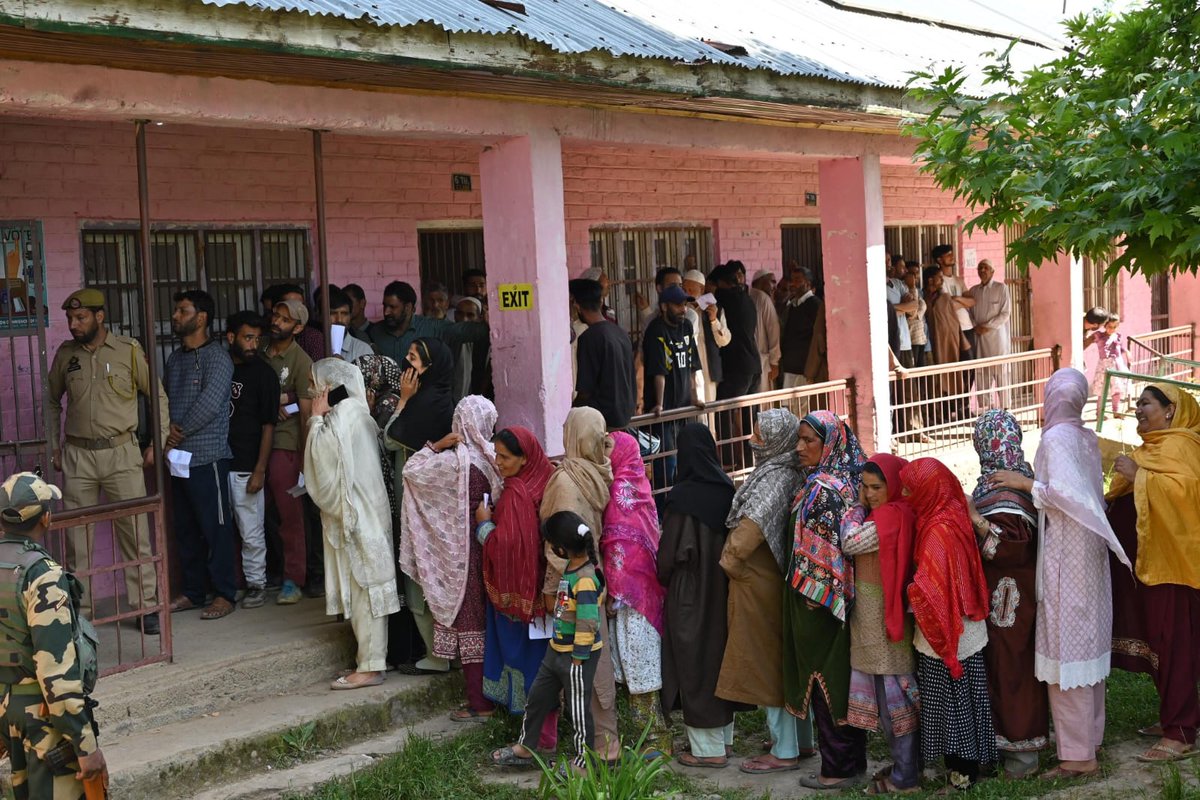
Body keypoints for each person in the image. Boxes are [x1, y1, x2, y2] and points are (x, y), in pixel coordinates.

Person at [987, 370, 1128, 778]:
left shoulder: (1055, 438)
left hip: (1067, 554)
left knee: (1069, 656)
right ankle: (1090, 740)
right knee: (1085, 650)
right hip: (1088, 553)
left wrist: (1025, 482)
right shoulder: (1084, 436)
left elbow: (1064, 495)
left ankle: (1079, 757)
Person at [47, 288, 167, 634]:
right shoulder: (66, 355)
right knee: (76, 536)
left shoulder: (128, 351)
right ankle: (80, 612)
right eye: (70, 318)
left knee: (134, 531)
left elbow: (155, 394)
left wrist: (155, 443)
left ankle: (146, 608)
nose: (73, 324)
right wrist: (55, 445)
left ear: (100, 317)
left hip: (121, 452)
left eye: (80, 317)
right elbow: (52, 400)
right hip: (78, 455)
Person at [717, 409, 815, 776]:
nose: (753, 441)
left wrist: (730, 566)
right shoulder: (790, 470)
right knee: (785, 663)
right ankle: (801, 741)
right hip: (777, 580)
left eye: (759, 436)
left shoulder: (774, 478)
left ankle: (784, 749)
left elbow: (746, 536)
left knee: (766, 665)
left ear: (774, 441)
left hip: (758, 583)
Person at [0, 472, 109, 798]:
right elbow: (56, 673)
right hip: (44, 717)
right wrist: (85, 745)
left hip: (6, 710)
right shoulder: (43, 575)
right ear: (46, 518)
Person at [1107, 383, 1200, 762]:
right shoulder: (1152, 449)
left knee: (1174, 643)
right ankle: (1179, 717)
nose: (1137, 411)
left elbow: (1188, 497)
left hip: (1175, 566)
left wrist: (1140, 475)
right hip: (1151, 564)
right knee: (1164, 643)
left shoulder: (1182, 447)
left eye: (1145, 404)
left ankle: (1180, 732)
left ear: (1171, 410)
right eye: (1136, 404)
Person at [400, 395, 501, 717]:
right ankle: (499, 696)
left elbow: (411, 471)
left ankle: (479, 703)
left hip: (465, 557)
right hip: (494, 548)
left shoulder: (453, 462)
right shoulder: (496, 459)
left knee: (470, 623)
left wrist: (435, 445)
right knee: (492, 624)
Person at [304, 358, 401, 689]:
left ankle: (371, 667)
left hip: (358, 517)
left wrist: (315, 420)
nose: (310, 389)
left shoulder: (342, 416)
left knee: (366, 592)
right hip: (370, 512)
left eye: (314, 382)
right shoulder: (360, 410)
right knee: (368, 589)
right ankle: (369, 661)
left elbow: (323, 470)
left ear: (328, 385)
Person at [784, 411, 868, 790]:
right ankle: (852, 761)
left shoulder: (823, 490)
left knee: (825, 681)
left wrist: (813, 598)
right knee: (843, 679)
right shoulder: (847, 480)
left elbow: (823, 555)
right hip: (842, 602)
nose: (800, 448)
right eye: (799, 440)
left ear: (829, 443)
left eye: (808, 441)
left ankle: (835, 769)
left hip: (818, 603)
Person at [900, 457, 995, 789]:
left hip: (946, 635)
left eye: (911, 488)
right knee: (969, 700)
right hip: (967, 628)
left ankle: (961, 777)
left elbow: (931, 590)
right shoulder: (953, 515)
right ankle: (973, 765)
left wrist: (910, 592)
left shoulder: (936, 532)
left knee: (952, 707)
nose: (905, 493)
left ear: (928, 491)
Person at [491, 510, 606, 773]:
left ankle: (583, 761)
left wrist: (578, 657)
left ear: (561, 548)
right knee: (537, 697)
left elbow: (588, 622)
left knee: (578, 711)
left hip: (577, 656)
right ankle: (526, 746)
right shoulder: (572, 568)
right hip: (556, 650)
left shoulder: (586, 579)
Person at [965, 411, 1047, 778]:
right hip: (1003, 600)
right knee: (1000, 669)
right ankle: (999, 745)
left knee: (1012, 670)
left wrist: (975, 520)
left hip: (1011, 601)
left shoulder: (1011, 490)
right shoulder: (1018, 481)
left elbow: (1011, 547)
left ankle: (1021, 754)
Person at [658, 423, 744, 768]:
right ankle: (723, 740)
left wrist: (664, 576)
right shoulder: (727, 488)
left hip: (690, 591)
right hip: (723, 587)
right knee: (718, 658)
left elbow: (669, 555)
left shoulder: (682, 497)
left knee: (694, 663)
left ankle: (708, 752)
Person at [539, 407, 619, 762]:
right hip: (593, 577)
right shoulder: (599, 471)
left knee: (581, 663)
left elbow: (559, 547)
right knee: (595, 660)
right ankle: (605, 743)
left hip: (572, 584)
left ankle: (599, 749)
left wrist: (551, 592)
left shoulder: (567, 481)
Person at [839, 453, 920, 794]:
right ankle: (904, 771)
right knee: (891, 700)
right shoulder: (890, 513)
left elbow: (850, 541)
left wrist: (856, 509)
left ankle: (906, 777)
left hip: (884, 619)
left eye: (876, 487)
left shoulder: (889, 517)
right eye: (864, 487)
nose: (869, 494)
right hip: (876, 618)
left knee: (895, 701)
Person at [164, 290, 237, 621]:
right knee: (186, 528)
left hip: (209, 457)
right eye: (177, 311)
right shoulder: (174, 358)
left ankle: (224, 593)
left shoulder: (219, 358)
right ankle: (193, 592)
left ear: (202, 317)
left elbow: (210, 403)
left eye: (183, 311)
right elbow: (164, 399)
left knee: (216, 528)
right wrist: (167, 431)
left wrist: (177, 430)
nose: (176, 316)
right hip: (178, 460)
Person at [384, 337, 456, 673]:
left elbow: (390, 436)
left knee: (420, 571)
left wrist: (403, 401)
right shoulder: (441, 399)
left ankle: (437, 655)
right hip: (432, 505)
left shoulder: (424, 403)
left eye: (413, 359)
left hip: (421, 505)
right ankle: (442, 653)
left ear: (428, 368)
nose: (406, 365)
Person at [353, 353, 425, 669]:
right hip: (388, 499)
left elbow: (386, 443)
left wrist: (368, 414)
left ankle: (403, 652)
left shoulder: (388, 405)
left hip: (390, 499)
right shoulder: (388, 402)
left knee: (397, 575)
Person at [602, 431, 669, 755]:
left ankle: (653, 740)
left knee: (636, 664)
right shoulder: (640, 483)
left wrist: (614, 593)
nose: (604, 454)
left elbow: (619, 549)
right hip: (646, 590)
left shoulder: (618, 491)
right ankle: (649, 736)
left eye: (609, 449)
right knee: (639, 663)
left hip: (629, 596)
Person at [225, 311, 279, 610]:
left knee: (251, 531)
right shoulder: (220, 367)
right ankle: (228, 585)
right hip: (219, 461)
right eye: (248, 337)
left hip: (247, 464)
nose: (253, 344)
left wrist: (260, 469)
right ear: (231, 337)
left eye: (257, 338)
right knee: (222, 532)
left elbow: (268, 425)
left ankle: (256, 584)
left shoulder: (264, 374)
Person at [263, 298, 314, 605]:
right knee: (261, 513)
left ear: (298, 327)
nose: (276, 321)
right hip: (257, 442)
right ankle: (267, 573)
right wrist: (274, 401)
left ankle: (294, 579)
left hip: (286, 445)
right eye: (276, 315)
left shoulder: (301, 361)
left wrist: (306, 459)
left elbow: (308, 414)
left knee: (289, 516)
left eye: (284, 319)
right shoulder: (259, 352)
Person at [641, 284, 703, 499]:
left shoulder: (686, 327)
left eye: (684, 304)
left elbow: (694, 364)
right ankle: (661, 509)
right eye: (678, 305)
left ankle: (683, 503)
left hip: (685, 407)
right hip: (665, 411)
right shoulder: (656, 331)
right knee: (666, 464)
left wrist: (696, 397)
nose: (683, 309)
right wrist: (659, 403)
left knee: (687, 459)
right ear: (664, 306)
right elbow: (659, 372)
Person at [367, 280, 489, 364]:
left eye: (392, 307)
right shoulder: (375, 332)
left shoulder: (432, 328)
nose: (386, 312)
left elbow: (461, 331)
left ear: (408, 307)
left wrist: (492, 324)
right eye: (385, 306)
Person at [571, 279, 636, 431]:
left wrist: (573, 412)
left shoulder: (589, 338)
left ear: (577, 306)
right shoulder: (620, 333)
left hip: (601, 422)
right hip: (624, 418)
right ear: (601, 302)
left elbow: (585, 391)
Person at [681, 268, 731, 403]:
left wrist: (714, 320)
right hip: (687, 367)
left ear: (702, 290)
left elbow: (724, 340)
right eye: (684, 290)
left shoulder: (714, 308)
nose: (687, 294)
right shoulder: (680, 308)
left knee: (708, 408)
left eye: (691, 290)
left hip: (707, 369)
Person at [967, 260, 1011, 409]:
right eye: (980, 268)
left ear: (992, 271)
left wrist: (988, 326)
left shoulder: (1001, 288)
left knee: (1001, 375)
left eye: (986, 268)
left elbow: (1005, 313)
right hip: (979, 339)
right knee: (982, 375)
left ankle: (1006, 409)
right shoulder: (973, 291)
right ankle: (986, 410)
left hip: (998, 340)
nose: (983, 270)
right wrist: (975, 326)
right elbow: (969, 313)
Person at [778, 267, 827, 388]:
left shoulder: (815, 305)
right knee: (787, 406)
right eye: (792, 280)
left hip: (805, 371)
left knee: (804, 406)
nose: (792, 284)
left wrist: (811, 370)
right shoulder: (792, 306)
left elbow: (818, 340)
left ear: (808, 284)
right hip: (790, 368)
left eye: (797, 280)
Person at [932, 245, 974, 360]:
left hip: (967, 326)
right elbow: (947, 307)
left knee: (971, 367)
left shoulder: (959, 280)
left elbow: (972, 301)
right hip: (952, 329)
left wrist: (957, 298)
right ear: (939, 260)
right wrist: (963, 302)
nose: (952, 257)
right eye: (948, 255)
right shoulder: (939, 281)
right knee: (957, 366)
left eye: (952, 254)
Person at [1089, 314, 1132, 418]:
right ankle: (1099, 413)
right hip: (1104, 366)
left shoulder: (1117, 336)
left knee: (1118, 389)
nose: (1112, 329)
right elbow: (1088, 339)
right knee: (1102, 390)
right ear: (1105, 326)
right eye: (1109, 327)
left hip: (1117, 365)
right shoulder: (1100, 336)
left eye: (1114, 327)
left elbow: (1120, 348)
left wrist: (1126, 352)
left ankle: (1116, 411)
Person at [746, 270, 781, 392]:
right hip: (762, 361)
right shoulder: (763, 298)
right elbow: (773, 332)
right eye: (772, 282)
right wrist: (774, 362)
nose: (774, 287)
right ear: (760, 281)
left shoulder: (749, 295)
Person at [324, 286, 374, 362]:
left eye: (344, 314)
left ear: (350, 316)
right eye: (333, 313)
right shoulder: (315, 346)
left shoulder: (363, 349)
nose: (339, 319)